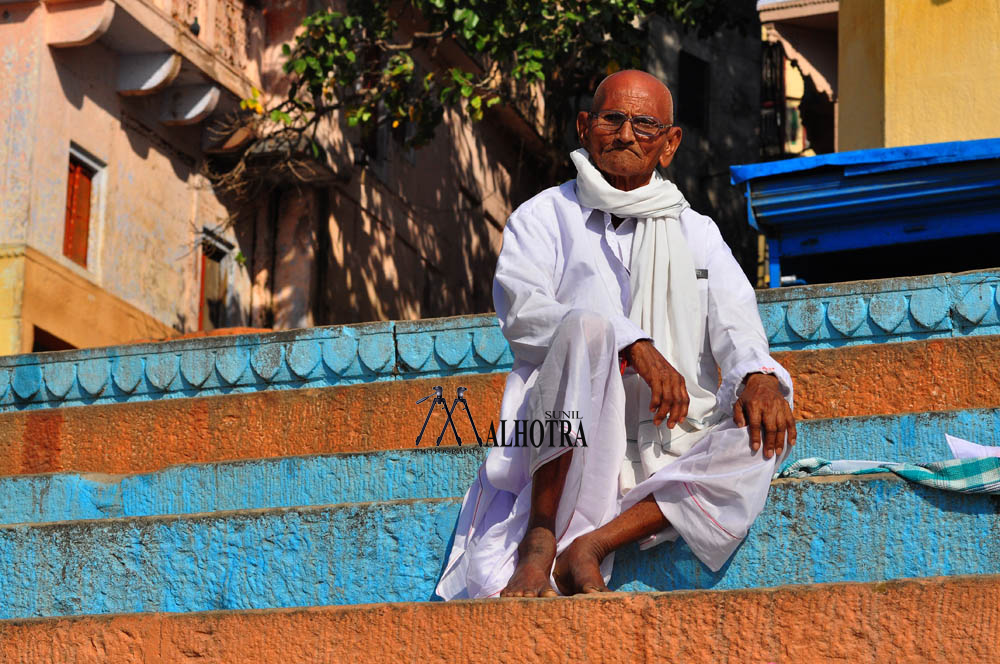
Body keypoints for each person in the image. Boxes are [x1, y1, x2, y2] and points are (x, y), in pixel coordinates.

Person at [435, 70, 796, 600]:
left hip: (674, 436)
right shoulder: (542, 217)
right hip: (567, 437)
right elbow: (522, 313)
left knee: (763, 431)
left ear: (669, 144)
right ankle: (539, 541)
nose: (626, 134)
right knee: (582, 326)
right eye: (613, 119)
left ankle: (591, 547)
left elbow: (738, 324)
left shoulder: (697, 232)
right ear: (585, 127)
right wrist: (631, 343)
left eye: (645, 124)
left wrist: (758, 376)